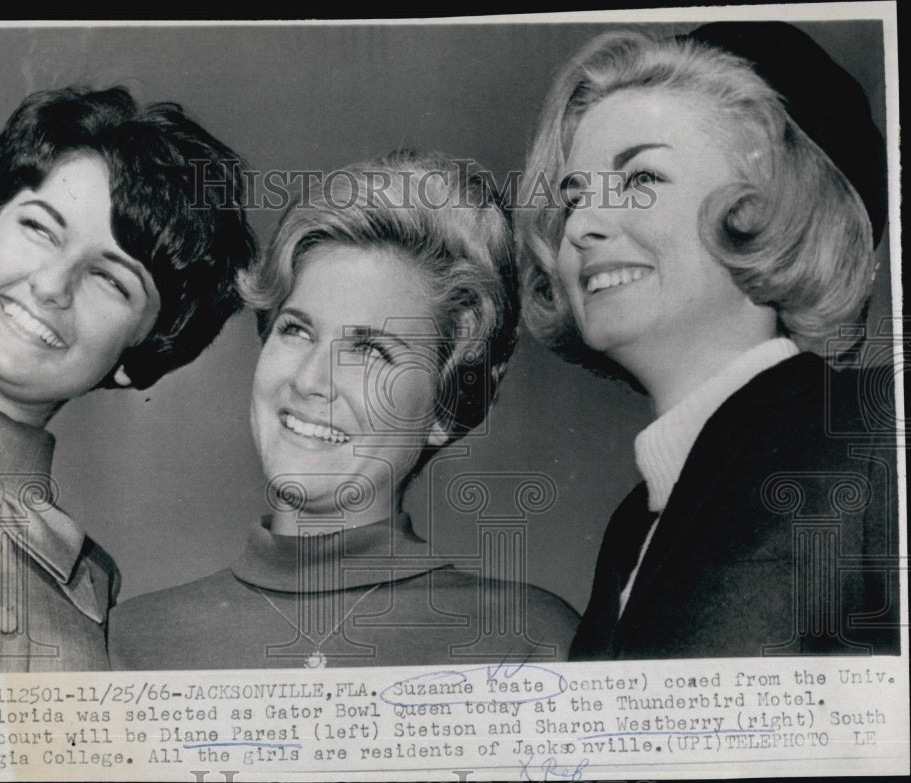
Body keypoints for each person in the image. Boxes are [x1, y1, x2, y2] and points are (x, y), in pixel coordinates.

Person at [516, 23, 899, 659]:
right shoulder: (634, 527)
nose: (580, 226)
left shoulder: (875, 436)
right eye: (575, 196)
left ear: (770, 207)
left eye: (640, 179)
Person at [109, 150, 579, 669]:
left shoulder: (530, 640)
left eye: (371, 350)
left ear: (444, 409)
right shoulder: (131, 642)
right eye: (296, 330)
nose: (311, 381)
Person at [0, 86, 257, 672]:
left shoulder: (90, 589)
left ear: (138, 355)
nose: (52, 286)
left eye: (111, 280)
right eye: (39, 228)